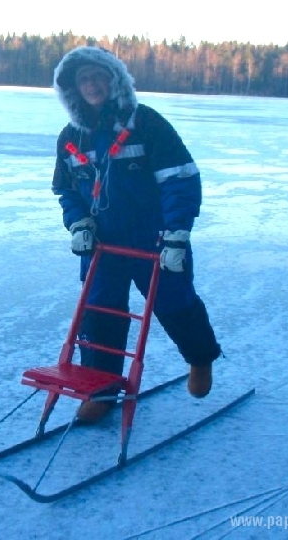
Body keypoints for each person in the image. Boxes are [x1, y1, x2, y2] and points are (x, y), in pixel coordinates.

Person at [52, 46, 222, 423]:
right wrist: (79, 222)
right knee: (99, 313)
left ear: (114, 80)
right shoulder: (70, 137)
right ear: (73, 89)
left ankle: (200, 359)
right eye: (83, 80)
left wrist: (177, 234)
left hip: (155, 239)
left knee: (175, 302)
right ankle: (101, 387)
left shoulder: (147, 124)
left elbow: (180, 180)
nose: (91, 85)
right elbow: (65, 190)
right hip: (102, 245)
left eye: (98, 76)